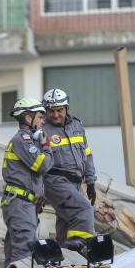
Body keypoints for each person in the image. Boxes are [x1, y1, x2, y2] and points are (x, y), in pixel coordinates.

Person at [41, 88, 97, 250]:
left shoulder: (77, 126)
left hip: (76, 183)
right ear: (46, 111)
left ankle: (65, 254)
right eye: (51, 111)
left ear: (67, 108)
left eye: (59, 110)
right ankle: (77, 248)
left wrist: (91, 182)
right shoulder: (41, 130)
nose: (56, 114)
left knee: (68, 221)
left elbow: (87, 155)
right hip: (54, 181)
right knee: (83, 210)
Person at [1, 98, 54, 266]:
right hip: (20, 204)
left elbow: (31, 174)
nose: (43, 121)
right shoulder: (22, 140)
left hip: (23, 203)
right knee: (23, 254)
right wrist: (46, 146)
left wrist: (38, 196)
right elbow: (43, 165)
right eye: (40, 117)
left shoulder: (28, 141)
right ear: (27, 119)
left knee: (15, 252)